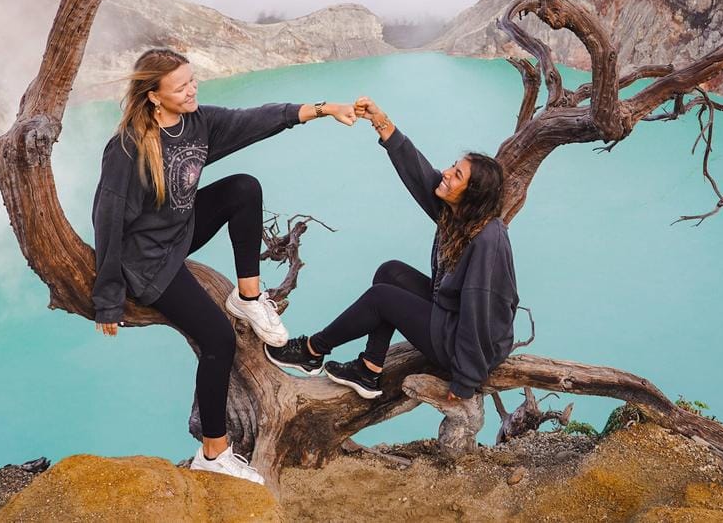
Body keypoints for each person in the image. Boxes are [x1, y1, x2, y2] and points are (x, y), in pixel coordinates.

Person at [91, 48, 357, 485]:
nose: (193, 88)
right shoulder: (127, 148)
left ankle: (248, 296)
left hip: (179, 232)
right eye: (181, 86)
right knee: (218, 339)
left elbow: (258, 119)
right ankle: (213, 451)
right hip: (149, 261)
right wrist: (108, 297)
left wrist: (324, 109)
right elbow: (108, 219)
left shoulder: (198, 123)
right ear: (154, 95)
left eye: (193, 80)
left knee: (243, 188)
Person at [264, 95, 518, 407]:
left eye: (457, 175)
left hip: (468, 347)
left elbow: (483, 312)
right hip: (451, 318)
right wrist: (381, 122)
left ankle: (312, 351)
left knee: (382, 298)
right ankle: (369, 370)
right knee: (390, 272)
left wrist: (466, 379)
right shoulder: (459, 215)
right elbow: (420, 174)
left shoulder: (488, 239)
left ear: (473, 195)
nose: (446, 174)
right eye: (453, 167)